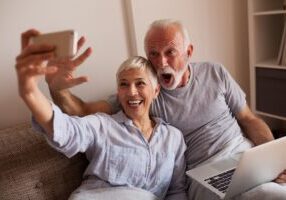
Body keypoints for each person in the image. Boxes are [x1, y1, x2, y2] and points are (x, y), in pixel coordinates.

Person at [27, 18, 286, 199]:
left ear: (189, 51)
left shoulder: (215, 73)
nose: (161, 62)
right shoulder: (142, 95)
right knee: (267, 195)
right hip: (206, 173)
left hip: (244, 154)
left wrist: (275, 161)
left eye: (170, 52)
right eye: (152, 53)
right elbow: (81, 112)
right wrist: (54, 87)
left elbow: (249, 119)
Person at [15, 37, 188, 200]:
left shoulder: (173, 138)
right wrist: (31, 92)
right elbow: (67, 132)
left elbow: (177, 192)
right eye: (124, 84)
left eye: (140, 83)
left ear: (156, 90)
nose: (131, 92)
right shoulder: (103, 125)